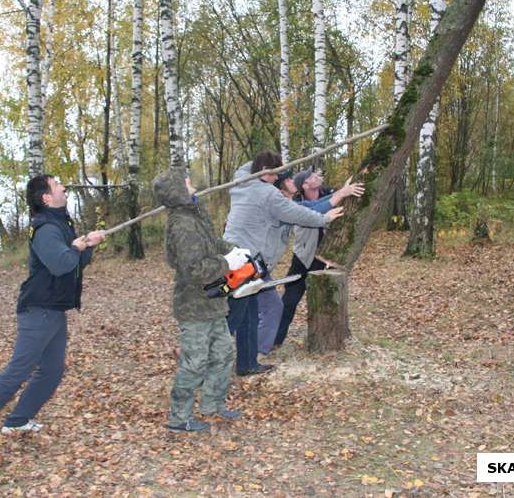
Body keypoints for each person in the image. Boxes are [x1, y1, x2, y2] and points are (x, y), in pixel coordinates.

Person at [0, 174, 105, 459]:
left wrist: (88, 245)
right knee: (17, 372)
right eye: (57, 184)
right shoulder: (46, 229)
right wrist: (79, 245)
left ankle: (17, 420)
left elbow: (75, 264)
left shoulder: (61, 223)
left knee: (51, 371)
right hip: (38, 310)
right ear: (47, 198)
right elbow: (62, 263)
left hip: (54, 310)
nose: (64, 187)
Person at [223, 151, 344, 376]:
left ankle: (247, 363)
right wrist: (325, 219)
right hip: (244, 263)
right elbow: (302, 214)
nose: (290, 179)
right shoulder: (270, 196)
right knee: (234, 315)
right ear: (272, 176)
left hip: (244, 260)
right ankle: (196, 359)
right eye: (285, 176)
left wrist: (268, 164)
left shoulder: (241, 181)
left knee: (250, 313)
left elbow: (247, 167)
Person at [153, 168, 247, 432]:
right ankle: (179, 418)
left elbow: (211, 243)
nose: (190, 181)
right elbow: (193, 269)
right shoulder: (181, 223)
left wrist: (234, 250)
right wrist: (227, 263)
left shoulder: (194, 212)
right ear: (177, 189)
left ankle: (212, 405)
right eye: (185, 180)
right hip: (194, 305)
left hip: (214, 299)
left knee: (223, 354)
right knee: (194, 363)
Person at [254, 168, 364, 355]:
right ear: (303, 185)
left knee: (323, 299)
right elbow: (312, 211)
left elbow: (319, 204)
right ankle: (271, 340)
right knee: (288, 300)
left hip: (323, 259)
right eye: (311, 177)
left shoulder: (325, 194)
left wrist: (341, 193)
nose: (317, 177)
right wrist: (341, 194)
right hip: (302, 258)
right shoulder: (288, 205)